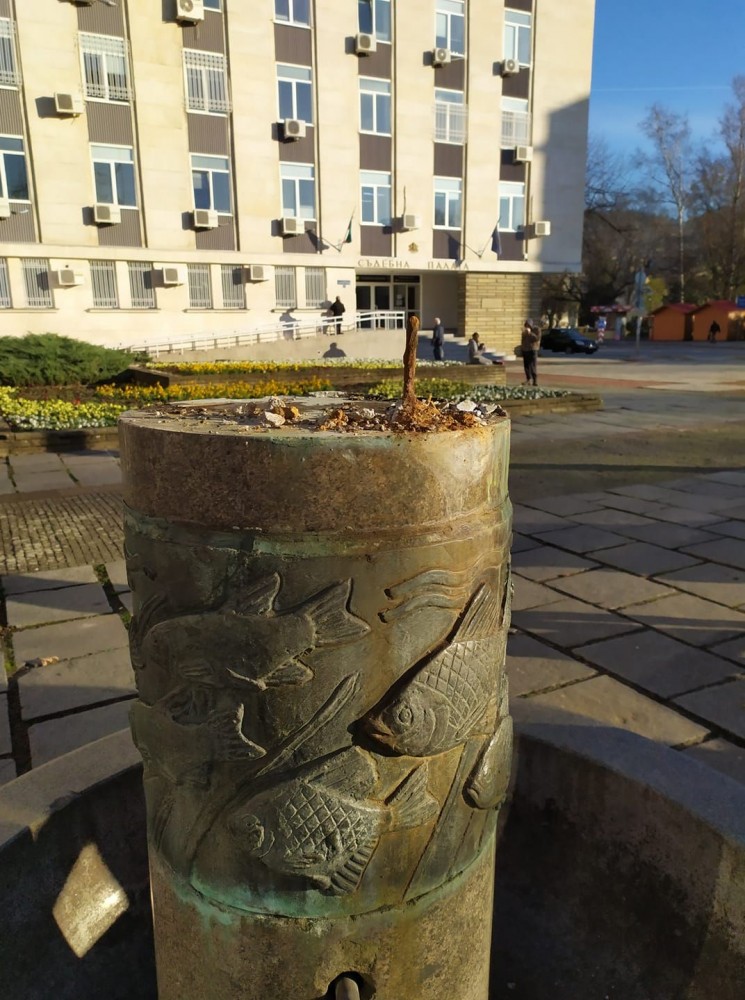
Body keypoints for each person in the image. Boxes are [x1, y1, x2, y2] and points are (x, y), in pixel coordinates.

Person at [521, 320, 540, 385]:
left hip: (533, 349)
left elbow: (537, 339)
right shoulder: (524, 331)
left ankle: (535, 380)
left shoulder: (537, 329)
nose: (527, 326)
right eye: (526, 325)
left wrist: (530, 333)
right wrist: (522, 348)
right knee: (526, 366)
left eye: (528, 325)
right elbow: (523, 340)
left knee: (532, 365)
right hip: (525, 350)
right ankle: (528, 379)